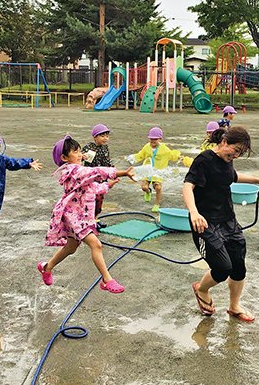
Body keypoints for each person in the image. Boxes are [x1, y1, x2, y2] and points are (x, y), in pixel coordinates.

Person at [183, 126, 259, 323]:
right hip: (204, 222)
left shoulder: (227, 161)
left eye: (240, 153)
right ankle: (202, 288)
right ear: (224, 142)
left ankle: (234, 306)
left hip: (228, 220)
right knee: (222, 268)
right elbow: (188, 186)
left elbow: (232, 176)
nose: (237, 155)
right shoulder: (204, 160)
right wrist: (194, 213)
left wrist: (258, 179)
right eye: (236, 150)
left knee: (239, 266)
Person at [37, 135, 135, 294]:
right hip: (76, 218)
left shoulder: (78, 174)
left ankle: (46, 267)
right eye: (75, 152)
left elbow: (93, 189)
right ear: (64, 158)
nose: (80, 154)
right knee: (96, 244)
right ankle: (106, 279)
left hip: (80, 216)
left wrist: (108, 185)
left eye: (80, 151)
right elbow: (95, 172)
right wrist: (121, 173)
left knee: (70, 248)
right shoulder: (73, 170)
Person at [128, 127, 181, 213]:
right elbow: (140, 155)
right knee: (144, 187)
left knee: (158, 187)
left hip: (158, 172)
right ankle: (148, 191)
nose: (152, 141)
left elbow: (172, 155)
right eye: (151, 139)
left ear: (160, 139)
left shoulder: (164, 149)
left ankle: (156, 204)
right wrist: (133, 158)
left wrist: (178, 157)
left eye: (155, 139)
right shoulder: (146, 147)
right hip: (147, 171)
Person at [82, 123, 113, 224]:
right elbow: (80, 156)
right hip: (91, 179)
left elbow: (107, 163)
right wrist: (83, 156)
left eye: (107, 136)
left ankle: (95, 218)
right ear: (95, 137)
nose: (105, 138)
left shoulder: (105, 148)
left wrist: (113, 173)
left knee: (99, 200)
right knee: (90, 199)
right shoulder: (89, 147)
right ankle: (88, 219)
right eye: (102, 136)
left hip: (101, 179)